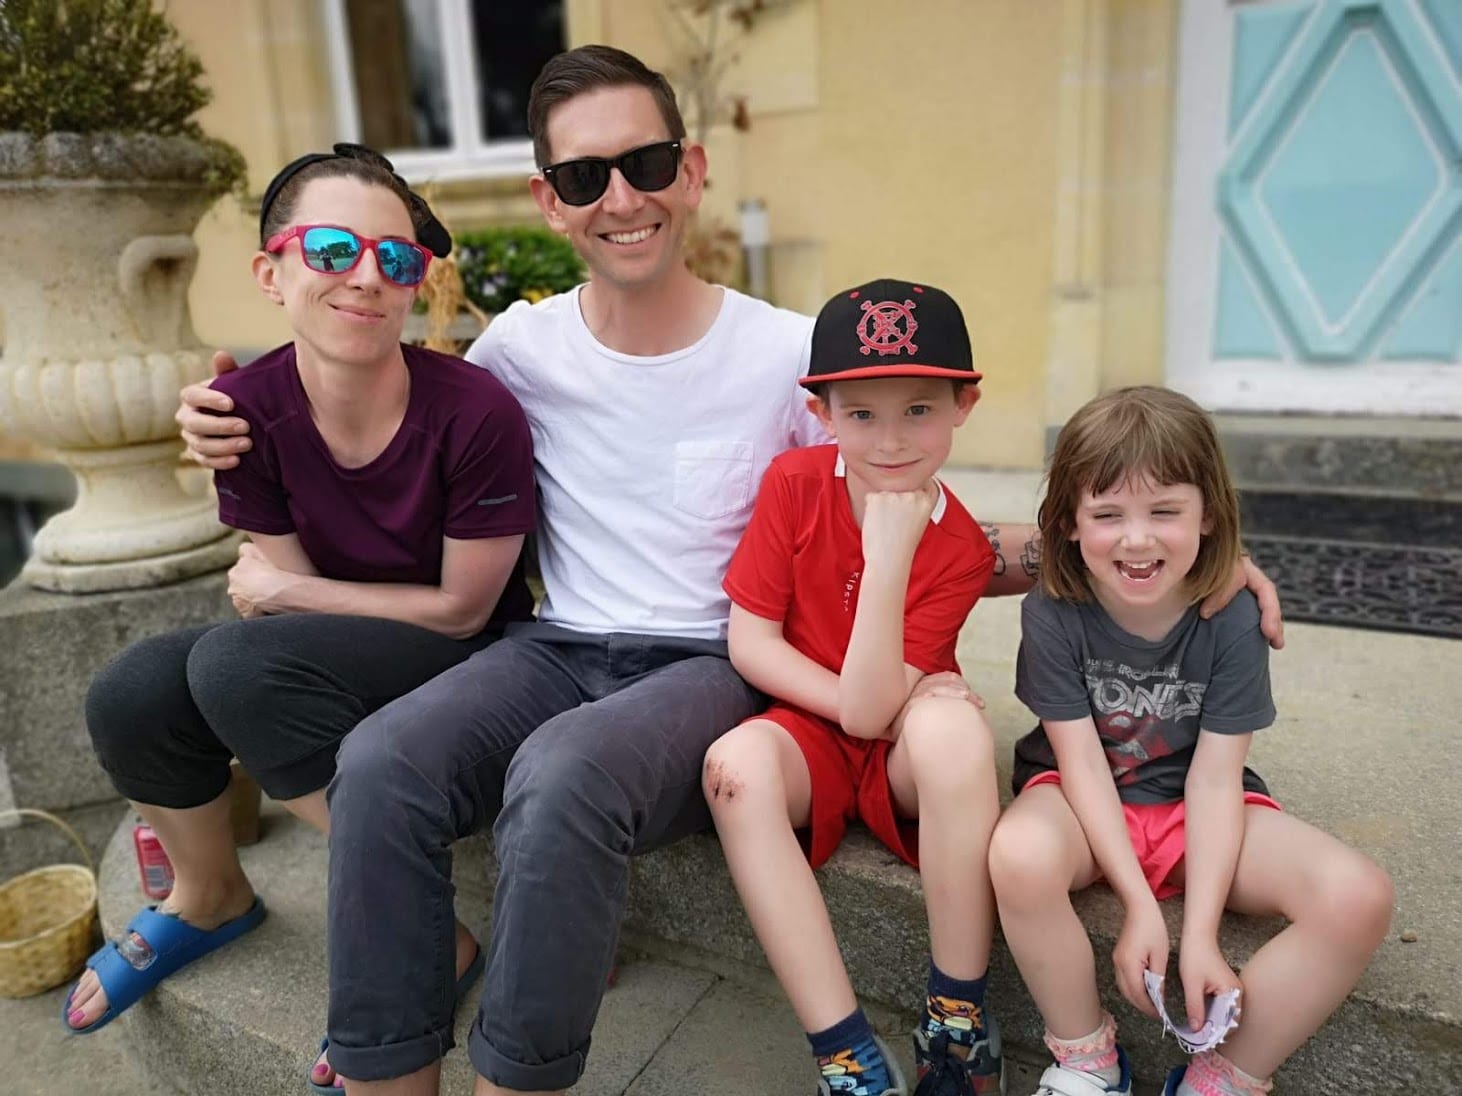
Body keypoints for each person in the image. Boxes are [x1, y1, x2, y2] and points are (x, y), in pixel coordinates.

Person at [174, 46, 1285, 1096]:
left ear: (691, 174)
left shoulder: (786, 353)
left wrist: (1185, 560)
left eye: (648, 163)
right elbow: (376, 383)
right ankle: (383, 1070)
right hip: (554, 647)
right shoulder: (517, 350)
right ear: (548, 199)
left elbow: (911, 504)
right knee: (381, 761)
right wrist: (239, 417)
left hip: (710, 666)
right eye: (584, 174)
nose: (622, 196)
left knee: (560, 779)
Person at [63, 145, 536, 1092]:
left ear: (415, 286)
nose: (367, 275)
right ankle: (208, 896)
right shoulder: (241, 411)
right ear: (271, 273)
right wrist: (291, 613)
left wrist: (291, 605)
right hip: (340, 652)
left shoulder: (475, 410)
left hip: (476, 662)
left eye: (396, 260)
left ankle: (417, 943)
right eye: (330, 248)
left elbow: (463, 610)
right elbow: (284, 614)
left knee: (240, 669)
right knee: (135, 693)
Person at [986, 387, 1392, 1096]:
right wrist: (1142, 909)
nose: (1137, 539)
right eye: (1107, 514)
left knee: (1358, 896)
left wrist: (1198, 935)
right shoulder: (1053, 609)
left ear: (1208, 515)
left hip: (1197, 805)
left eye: (1164, 512)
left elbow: (1213, 781)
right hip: (1083, 805)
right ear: (1067, 526)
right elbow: (1079, 762)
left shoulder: (1230, 616)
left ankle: (1221, 1076)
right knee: (1017, 855)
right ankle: (1086, 1060)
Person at [708, 278, 1005, 1096]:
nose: (890, 439)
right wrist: (873, 705)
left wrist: (891, 554)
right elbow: (752, 643)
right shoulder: (795, 484)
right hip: (808, 728)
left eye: (919, 408)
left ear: (963, 405)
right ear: (823, 413)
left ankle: (957, 1018)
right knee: (735, 767)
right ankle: (846, 1056)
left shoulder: (962, 549)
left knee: (954, 732)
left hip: (904, 754)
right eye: (862, 413)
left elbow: (886, 713)